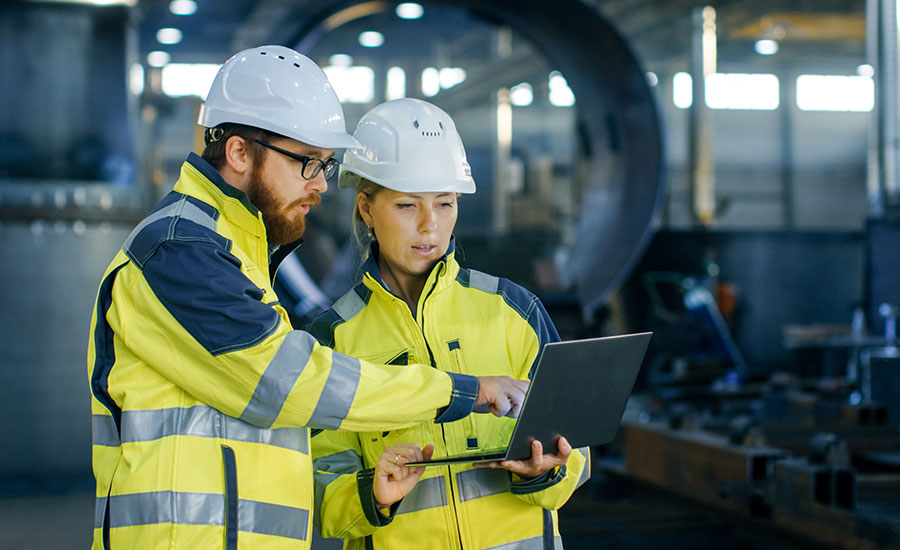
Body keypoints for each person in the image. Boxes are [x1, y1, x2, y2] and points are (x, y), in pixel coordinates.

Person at [86, 46, 529, 550]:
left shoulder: (236, 250)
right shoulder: (180, 250)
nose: (320, 184)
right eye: (307, 162)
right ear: (238, 152)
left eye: (326, 164)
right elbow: (288, 382)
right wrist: (458, 391)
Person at [309, 98, 590, 550]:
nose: (430, 227)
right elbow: (320, 489)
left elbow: (578, 447)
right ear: (366, 209)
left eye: (444, 203)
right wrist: (373, 495)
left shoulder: (514, 310)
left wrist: (550, 469)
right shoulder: (332, 340)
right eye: (406, 206)